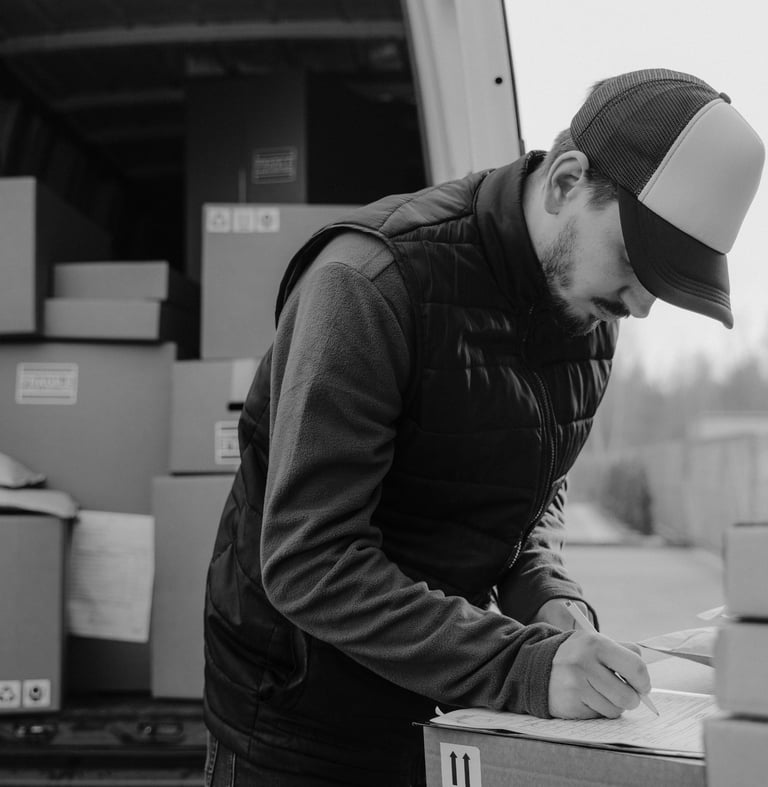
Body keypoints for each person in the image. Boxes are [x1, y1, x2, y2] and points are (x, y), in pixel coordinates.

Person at [202, 68, 764, 786]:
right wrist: (523, 665)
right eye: (635, 261)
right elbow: (311, 559)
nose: (642, 304)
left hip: (449, 707)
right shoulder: (370, 284)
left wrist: (551, 599)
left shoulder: (591, 312)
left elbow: (531, 496)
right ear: (566, 182)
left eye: (665, 281)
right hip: (297, 727)